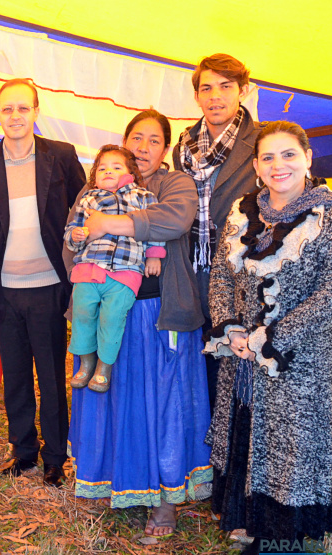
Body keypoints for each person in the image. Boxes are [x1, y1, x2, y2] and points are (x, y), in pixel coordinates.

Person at [205, 121, 332, 553]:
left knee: (292, 446)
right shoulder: (243, 210)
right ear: (256, 166)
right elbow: (221, 275)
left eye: (289, 154)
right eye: (268, 157)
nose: (279, 165)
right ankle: (250, 520)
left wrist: (269, 337)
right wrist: (230, 327)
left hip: (302, 359)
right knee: (247, 430)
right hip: (243, 356)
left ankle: (283, 536)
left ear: (308, 159)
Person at [67, 110, 212, 537]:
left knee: (162, 403)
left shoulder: (175, 185)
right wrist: (79, 249)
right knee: (110, 394)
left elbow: (174, 222)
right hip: (107, 303)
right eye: (136, 138)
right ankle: (111, 482)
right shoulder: (97, 184)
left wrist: (109, 224)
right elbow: (73, 233)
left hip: (157, 313)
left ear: (164, 149)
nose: (143, 147)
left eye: (153, 140)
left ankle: (166, 499)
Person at [0, 78, 85, 487]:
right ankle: (24, 452)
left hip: (51, 284)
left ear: (36, 111)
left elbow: (83, 210)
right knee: (15, 373)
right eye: (6, 109)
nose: (14, 116)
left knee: (51, 374)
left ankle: (55, 456)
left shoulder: (61, 157)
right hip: (4, 289)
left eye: (22, 108)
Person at [172, 54, 261, 410]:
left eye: (225, 87)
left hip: (240, 272)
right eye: (206, 88)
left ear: (243, 91)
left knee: (237, 368)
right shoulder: (183, 147)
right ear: (196, 96)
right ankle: (204, 455)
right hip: (192, 269)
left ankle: (233, 459)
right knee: (200, 364)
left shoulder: (262, 143)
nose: (215, 96)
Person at [64, 145, 165, 393]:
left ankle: (104, 366)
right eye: (102, 168)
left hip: (125, 271)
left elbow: (154, 229)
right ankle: (86, 362)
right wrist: (76, 236)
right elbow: (71, 233)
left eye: (116, 167)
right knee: (82, 314)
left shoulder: (144, 197)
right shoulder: (88, 198)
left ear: (130, 172)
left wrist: (154, 255)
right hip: (89, 268)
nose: (108, 171)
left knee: (112, 319)